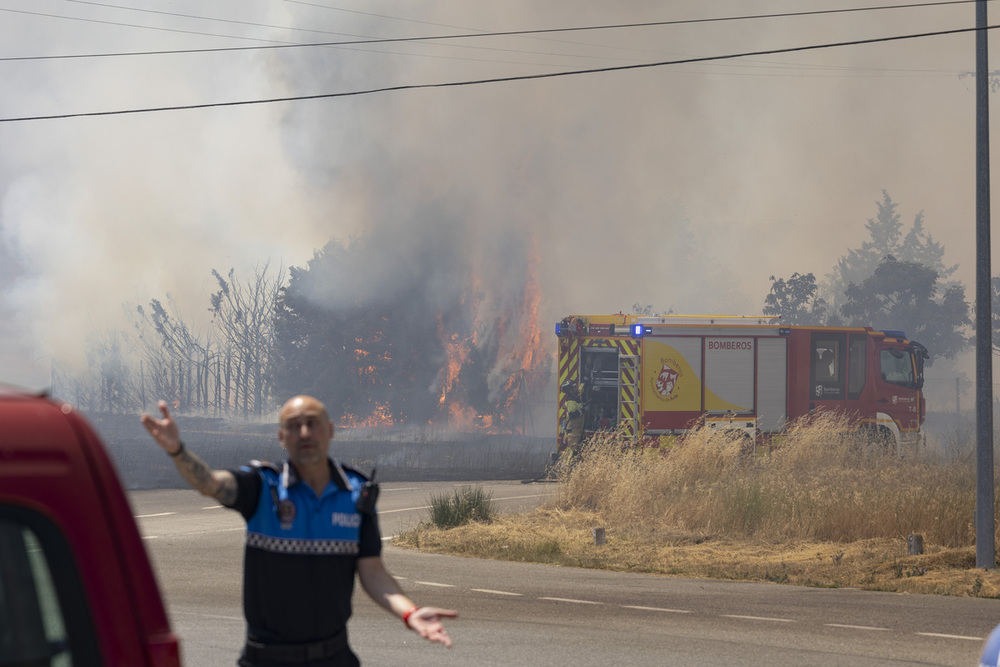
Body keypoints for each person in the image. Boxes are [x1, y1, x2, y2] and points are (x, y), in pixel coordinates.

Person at [141, 395, 456, 666]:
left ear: (330, 430)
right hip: (266, 659)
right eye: (293, 425)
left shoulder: (358, 495)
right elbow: (209, 483)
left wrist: (409, 613)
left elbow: (373, 572)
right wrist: (176, 450)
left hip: (334, 658)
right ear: (281, 437)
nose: (304, 432)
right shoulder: (263, 487)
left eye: (312, 423)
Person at [557, 381, 585, 458]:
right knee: (572, 450)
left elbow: (581, 390)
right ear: (570, 390)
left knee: (575, 449)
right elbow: (573, 414)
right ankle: (567, 466)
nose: (576, 388)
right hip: (573, 429)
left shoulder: (576, 396)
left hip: (577, 428)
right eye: (574, 387)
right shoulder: (570, 401)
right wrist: (583, 410)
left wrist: (584, 381)